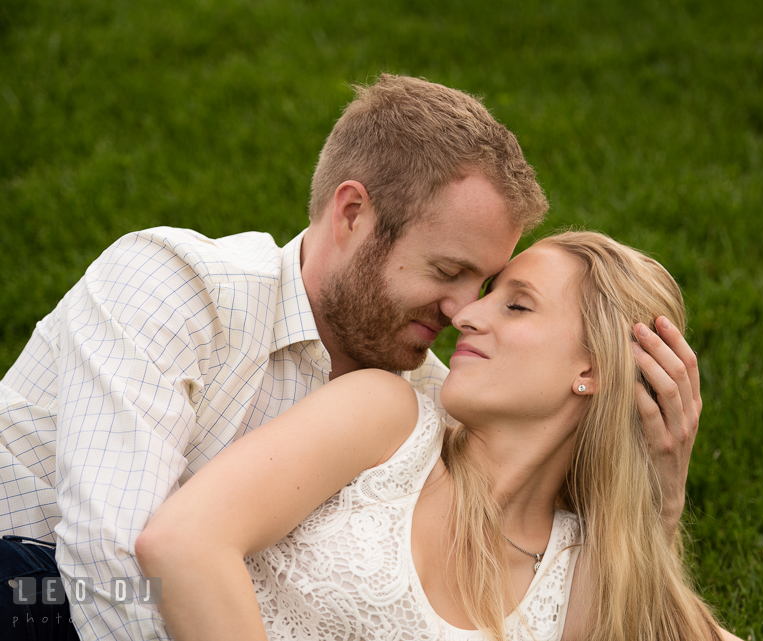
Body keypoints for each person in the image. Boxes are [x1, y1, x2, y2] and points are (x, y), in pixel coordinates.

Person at [0, 76, 701, 639]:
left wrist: (658, 496)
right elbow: (108, 563)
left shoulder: (433, 396)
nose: (465, 313)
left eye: (489, 287)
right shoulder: (178, 285)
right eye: (448, 270)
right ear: (352, 214)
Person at [136, 231, 723, 641]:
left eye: (517, 306)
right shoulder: (387, 421)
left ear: (593, 370)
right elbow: (182, 543)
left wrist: (663, 500)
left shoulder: (579, 570)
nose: (467, 315)